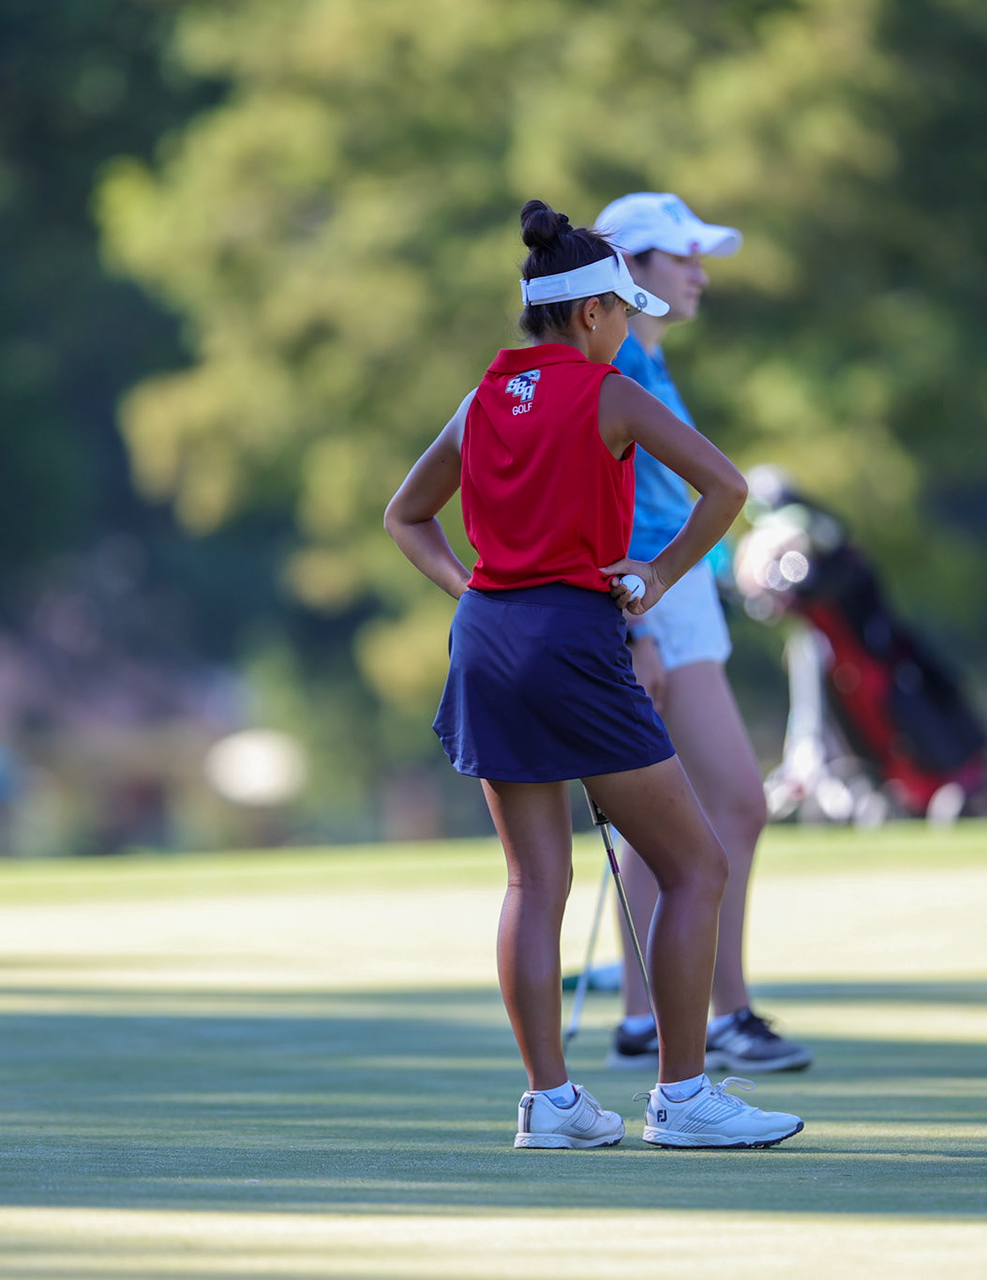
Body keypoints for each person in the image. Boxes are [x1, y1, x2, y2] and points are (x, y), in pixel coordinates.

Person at [384, 199, 804, 1151]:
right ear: (590, 314)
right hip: (574, 641)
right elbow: (728, 488)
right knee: (696, 865)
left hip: (486, 641)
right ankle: (687, 1095)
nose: (626, 327)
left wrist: (469, 590)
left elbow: (405, 516)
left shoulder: (480, 398)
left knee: (534, 883)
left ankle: (550, 1104)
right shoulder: (608, 391)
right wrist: (655, 576)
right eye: (621, 312)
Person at [592, 192, 813, 1074]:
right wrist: (632, 628)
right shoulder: (626, 373)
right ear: (631, 269)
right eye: (680, 258)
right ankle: (724, 1014)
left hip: (679, 596)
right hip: (652, 604)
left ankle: (650, 1018)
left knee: (673, 816)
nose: (698, 275)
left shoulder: (652, 364)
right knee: (733, 805)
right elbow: (614, 508)